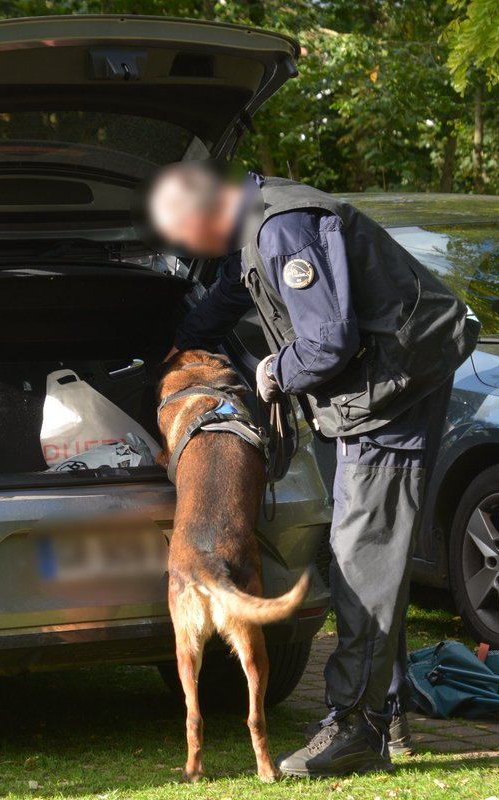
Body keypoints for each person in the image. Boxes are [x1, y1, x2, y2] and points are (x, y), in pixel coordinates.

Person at [145, 162, 478, 777]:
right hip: (372, 387)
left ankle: (357, 725)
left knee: (363, 553)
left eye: (186, 238)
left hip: (394, 388)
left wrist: (274, 374)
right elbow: (233, 294)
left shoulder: (282, 229)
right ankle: (388, 709)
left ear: (202, 214)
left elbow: (327, 341)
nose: (189, 250)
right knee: (368, 552)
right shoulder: (255, 226)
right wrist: (175, 345)